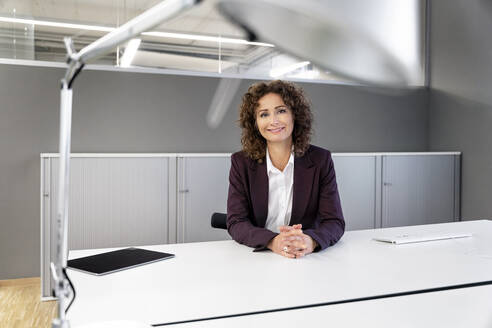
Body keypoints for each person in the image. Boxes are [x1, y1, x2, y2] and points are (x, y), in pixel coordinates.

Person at [227, 80, 345, 259]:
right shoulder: (241, 163)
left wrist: (310, 241)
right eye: (264, 114)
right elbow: (236, 222)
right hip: (259, 256)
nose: (273, 121)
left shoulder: (321, 160)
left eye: (281, 111)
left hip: (304, 257)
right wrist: (273, 241)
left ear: (294, 115)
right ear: (255, 122)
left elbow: (334, 221)